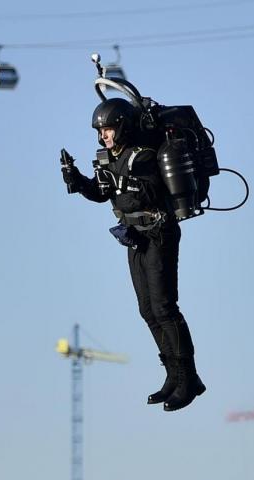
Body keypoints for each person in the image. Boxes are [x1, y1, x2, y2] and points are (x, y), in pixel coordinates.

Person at [62, 98, 205, 412]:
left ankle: (189, 379)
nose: (104, 136)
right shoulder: (109, 158)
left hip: (159, 233)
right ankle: (173, 375)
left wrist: (120, 181)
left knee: (165, 308)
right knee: (148, 310)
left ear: (123, 126)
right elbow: (104, 194)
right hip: (135, 237)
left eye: (109, 129)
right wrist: (78, 181)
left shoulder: (143, 156)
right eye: (101, 131)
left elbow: (154, 191)